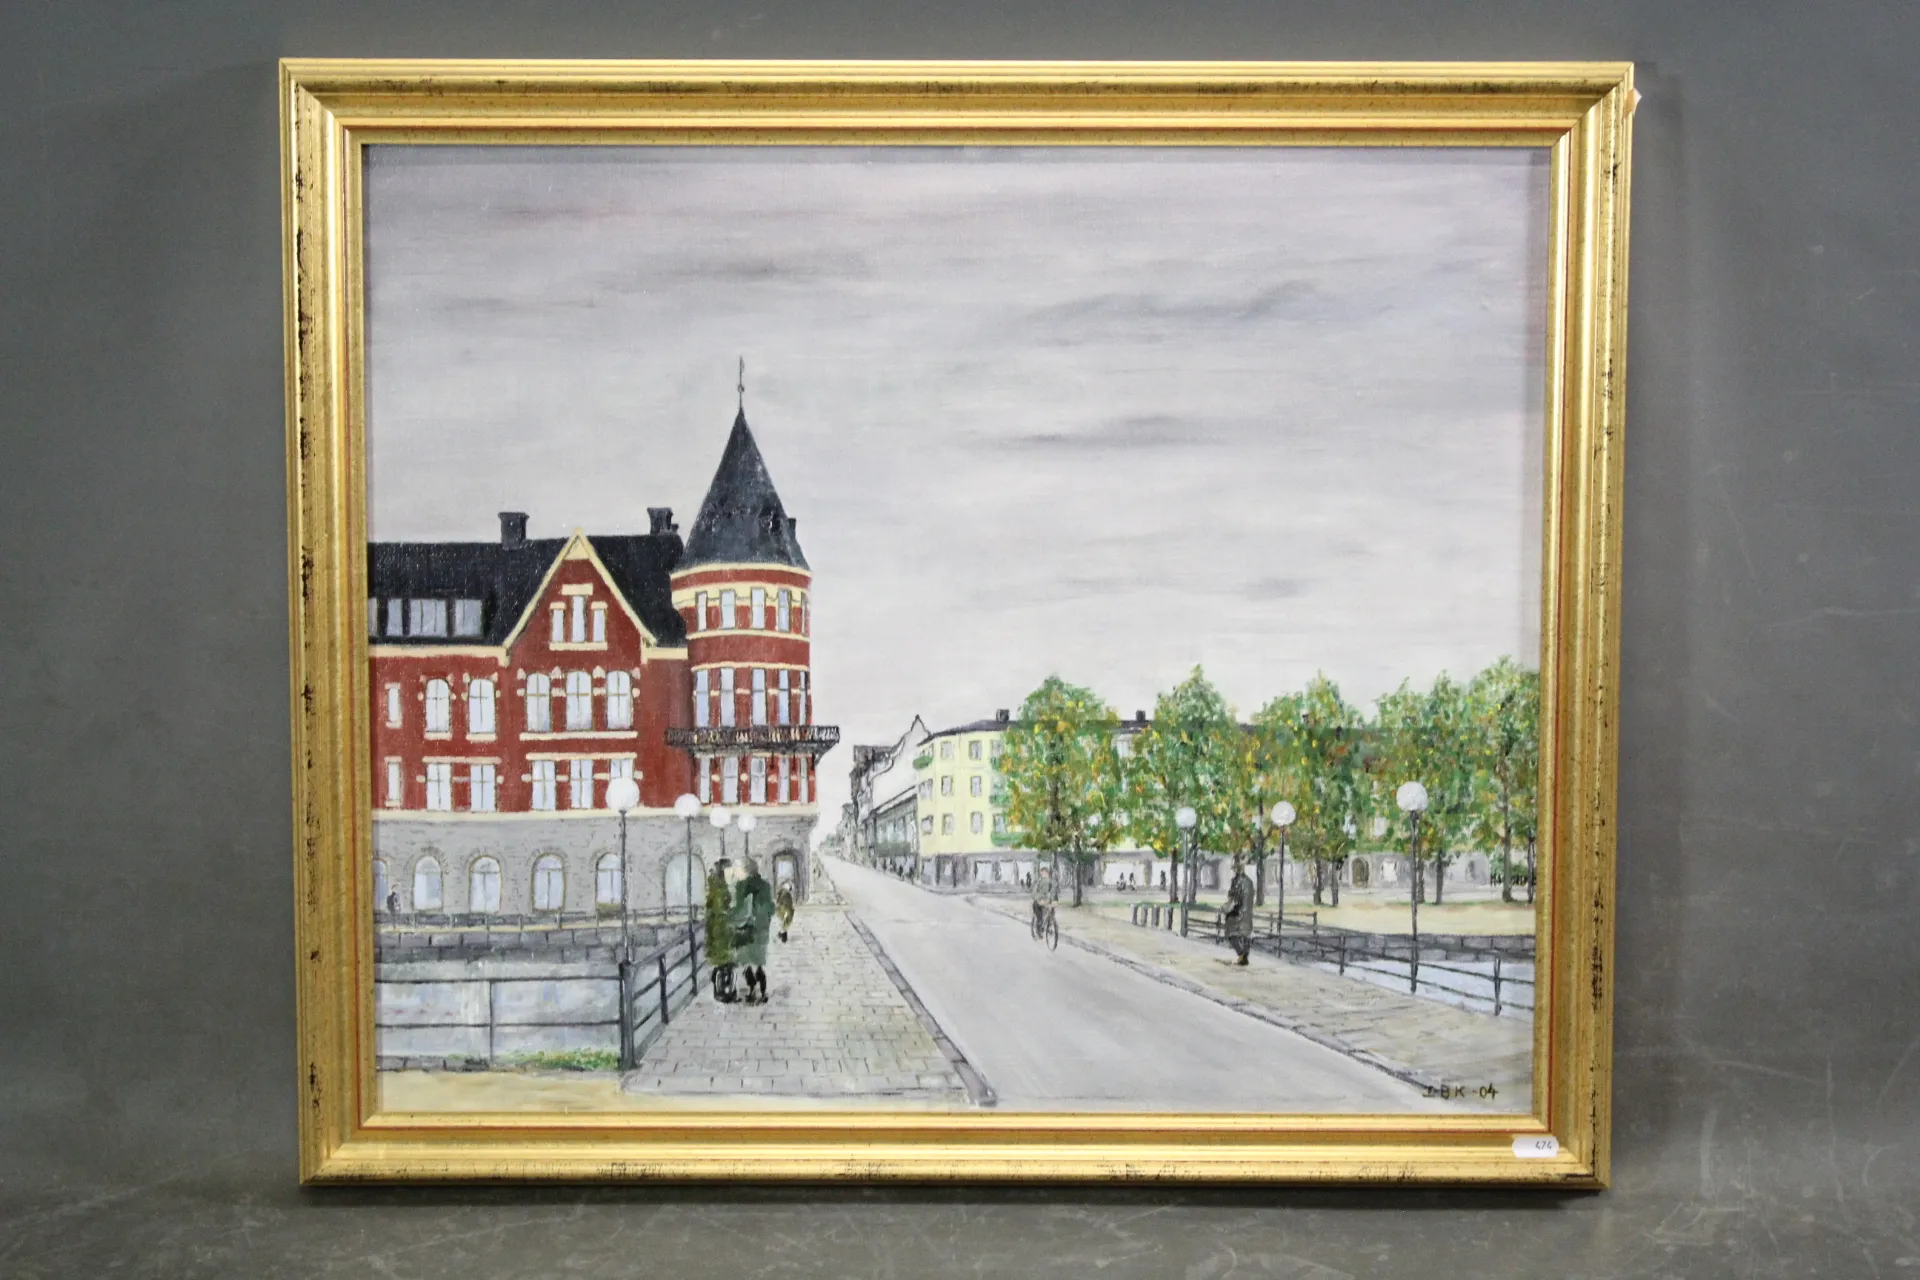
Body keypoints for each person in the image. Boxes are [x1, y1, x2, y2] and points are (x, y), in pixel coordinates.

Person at [732, 856, 776, 1004]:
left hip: (747, 929)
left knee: (746, 962)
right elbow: (770, 907)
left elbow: (742, 910)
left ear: (746, 870)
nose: (735, 872)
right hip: (762, 929)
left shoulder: (742, 886)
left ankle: (752, 991)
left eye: (737, 868)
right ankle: (762, 992)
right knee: (758, 962)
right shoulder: (765, 885)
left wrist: (731, 919)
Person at [704, 858, 737, 1003]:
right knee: (724, 962)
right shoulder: (718, 888)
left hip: (722, 930)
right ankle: (723, 991)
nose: (731, 873)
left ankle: (724, 990)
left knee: (725, 962)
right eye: (728, 870)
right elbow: (718, 909)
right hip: (721, 930)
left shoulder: (719, 886)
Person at [1223, 854, 1255, 965]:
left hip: (1238, 912)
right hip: (1247, 913)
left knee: (1231, 934)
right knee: (1245, 935)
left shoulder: (1237, 881)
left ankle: (1242, 955)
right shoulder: (1249, 882)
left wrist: (1227, 907)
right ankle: (1243, 956)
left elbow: (1234, 898)